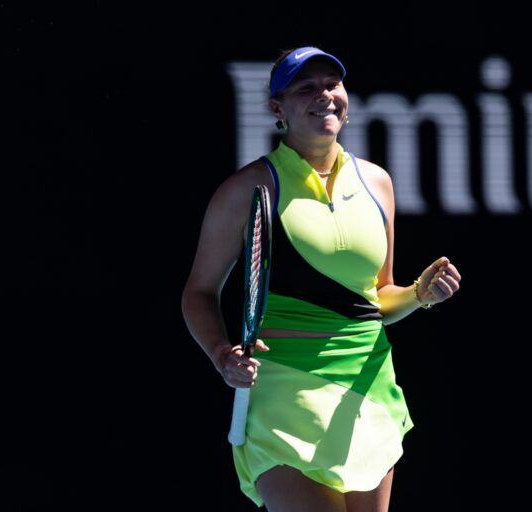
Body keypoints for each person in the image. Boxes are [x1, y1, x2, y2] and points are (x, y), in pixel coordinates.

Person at [181, 46, 462, 512]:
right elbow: (199, 292)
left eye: (332, 84)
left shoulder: (377, 183)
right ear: (279, 108)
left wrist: (418, 295)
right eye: (306, 88)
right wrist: (219, 354)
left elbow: (376, 298)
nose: (325, 96)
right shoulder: (248, 190)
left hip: (367, 390)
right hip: (283, 395)